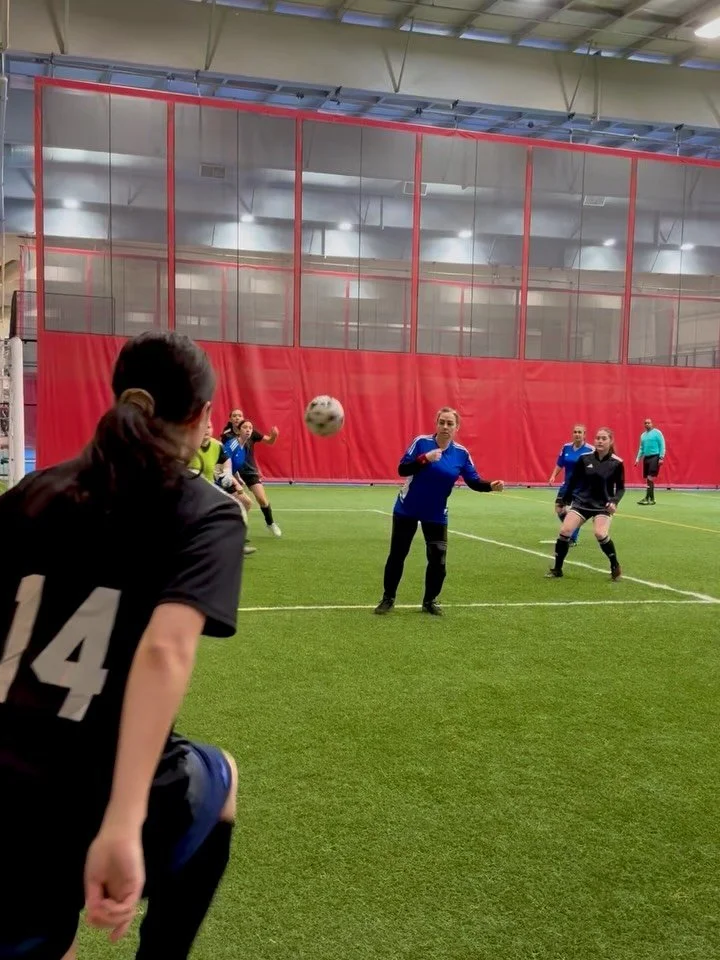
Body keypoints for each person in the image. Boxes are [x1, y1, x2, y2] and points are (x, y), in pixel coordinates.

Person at [0, 331, 246, 960]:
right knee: (221, 780)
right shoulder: (202, 509)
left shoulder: (30, 492)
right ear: (199, 419)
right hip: (90, 783)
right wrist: (121, 821)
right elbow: (165, 652)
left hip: (6, 781)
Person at [374, 407, 504, 617]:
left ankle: (429, 601)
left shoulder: (461, 453)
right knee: (398, 555)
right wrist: (424, 459)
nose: (445, 427)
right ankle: (388, 598)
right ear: (436, 424)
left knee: (438, 559)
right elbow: (402, 470)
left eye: (450, 423)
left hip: (435, 513)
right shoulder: (422, 443)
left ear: (457, 427)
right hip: (407, 508)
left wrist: (491, 485)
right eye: (442, 422)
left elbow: (473, 481)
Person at [545, 427, 624, 581]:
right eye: (598, 438)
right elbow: (573, 481)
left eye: (603, 438)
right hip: (582, 502)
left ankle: (615, 565)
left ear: (610, 441)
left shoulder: (617, 462)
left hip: (603, 505)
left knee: (600, 534)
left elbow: (620, 488)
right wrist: (564, 500)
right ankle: (557, 569)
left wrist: (614, 502)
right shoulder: (585, 458)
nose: (600, 441)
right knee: (565, 531)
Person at [191, 419, 256, 556]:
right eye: (202, 427)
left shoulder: (217, 446)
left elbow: (226, 461)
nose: (206, 430)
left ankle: (235, 544)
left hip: (210, 490)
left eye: (209, 427)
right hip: (190, 494)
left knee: (240, 506)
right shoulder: (188, 446)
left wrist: (227, 473)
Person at [222, 409, 281, 537]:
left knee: (261, 499)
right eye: (234, 416)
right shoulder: (227, 436)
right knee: (240, 502)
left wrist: (274, 435)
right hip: (230, 471)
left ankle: (270, 523)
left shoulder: (250, 431)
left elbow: (270, 441)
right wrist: (235, 478)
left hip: (248, 470)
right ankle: (231, 532)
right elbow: (223, 458)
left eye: (240, 415)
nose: (237, 417)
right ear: (231, 419)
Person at [548, 424, 594, 547]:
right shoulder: (566, 447)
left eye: (580, 432)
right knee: (559, 509)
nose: (577, 434)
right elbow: (560, 463)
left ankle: (572, 537)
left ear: (584, 434)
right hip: (566, 485)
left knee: (572, 512)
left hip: (581, 487)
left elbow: (595, 468)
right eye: (575, 432)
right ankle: (571, 529)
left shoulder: (590, 450)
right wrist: (553, 475)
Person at [635, 417, 666, 506]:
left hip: (655, 457)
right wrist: (637, 459)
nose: (647, 424)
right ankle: (651, 498)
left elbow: (662, 445)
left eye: (649, 423)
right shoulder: (643, 435)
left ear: (652, 424)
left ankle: (647, 498)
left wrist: (661, 457)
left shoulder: (657, 433)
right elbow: (641, 448)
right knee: (648, 479)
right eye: (645, 423)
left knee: (650, 478)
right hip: (646, 458)